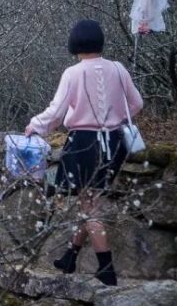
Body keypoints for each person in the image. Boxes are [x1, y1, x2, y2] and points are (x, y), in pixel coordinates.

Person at [25, 19, 143, 286]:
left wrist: (35, 125)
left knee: (89, 206)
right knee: (88, 201)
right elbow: (136, 104)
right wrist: (112, 119)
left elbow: (56, 112)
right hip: (114, 143)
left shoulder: (74, 73)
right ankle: (71, 256)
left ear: (75, 43)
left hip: (84, 143)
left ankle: (106, 269)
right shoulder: (118, 69)